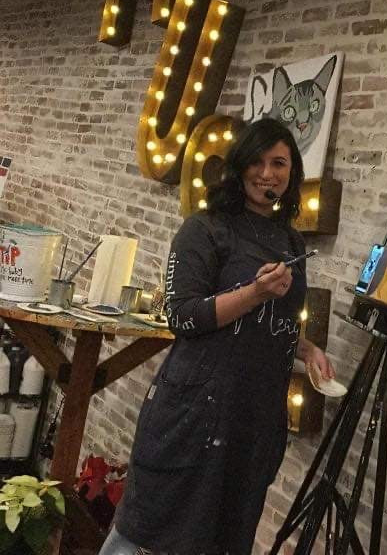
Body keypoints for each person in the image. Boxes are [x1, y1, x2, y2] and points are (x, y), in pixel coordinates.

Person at [100, 117, 335, 555]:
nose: (268, 174)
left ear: (292, 172)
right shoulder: (205, 229)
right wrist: (254, 291)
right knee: (145, 530)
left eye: (279, 163)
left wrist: (307, 349)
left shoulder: (289, 239)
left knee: (225, 538)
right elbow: (183, 317)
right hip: (195, 411)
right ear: (239, 164)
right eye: (258, 161)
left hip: (255, 418)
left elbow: (272, 321)